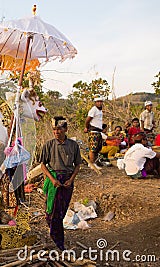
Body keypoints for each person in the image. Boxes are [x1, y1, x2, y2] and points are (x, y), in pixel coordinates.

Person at [40, 116, 82, 251]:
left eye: (59, 129)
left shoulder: (73, 145)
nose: (56, 132)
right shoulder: (48, 145)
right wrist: (52, 180)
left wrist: (71, 179)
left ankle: (57, 241)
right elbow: (43, 165)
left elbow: (77, 165)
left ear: (65, 129)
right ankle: (57, 241)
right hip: (53, 182)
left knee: (61, 212)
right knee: (51, 212)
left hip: (67, 182)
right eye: (54, 129)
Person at [84, 95, 104, 169]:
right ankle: (91, 163)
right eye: (98, 102)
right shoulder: (94, 110)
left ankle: (94, 162)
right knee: (93, 148)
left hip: (98, 131)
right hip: (93, 131)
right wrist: (86, 127)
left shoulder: (99, 110)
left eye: (100, 102)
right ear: (95, 102)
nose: (99, 103)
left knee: (97, 148)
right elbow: (88, 120)